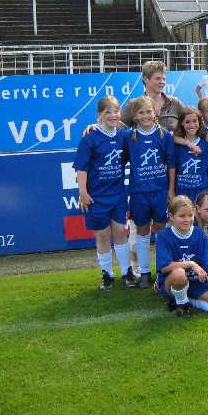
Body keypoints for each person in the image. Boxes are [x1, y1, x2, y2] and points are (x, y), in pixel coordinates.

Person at [74, 96, 133, 290]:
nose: (112, 115)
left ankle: (126, 273)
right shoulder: (89, 138)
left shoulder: (123, 136)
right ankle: (107, 275)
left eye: (115, 111)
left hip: (117, 194)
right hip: (97, 197)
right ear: (99, 115)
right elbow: (81, 168)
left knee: (120, 232)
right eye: (107, 112)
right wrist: (83, 192)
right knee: (102, 235)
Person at [124, 96, 175, 289]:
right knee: (143, 232)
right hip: (139, 193)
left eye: (149, 111)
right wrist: (93, 127)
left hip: (160, 191)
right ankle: (145, 272)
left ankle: (162, 271)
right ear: (135, 116)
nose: (146, 115)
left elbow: (171, 164)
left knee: (161, 232)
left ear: (156, 112)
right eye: (141, 112)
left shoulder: (164, 136)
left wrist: (170, 190)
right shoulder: (129, 137)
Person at [155, 195, 208, 316]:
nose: (187, 219)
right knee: (179, 273)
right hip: (173, 281)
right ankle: (182, 303)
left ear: (194, 214)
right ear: (171, 216)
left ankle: (190, 301)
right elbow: (164, 266)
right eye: (182, 216)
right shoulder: (164, 236)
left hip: (196, 282)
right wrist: (191, 263)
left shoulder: (198, 234)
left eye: (190, 215)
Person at [121, 60, 184, 132]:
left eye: (164, 79)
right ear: (145, 79)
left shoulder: (175, 102)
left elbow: (190, 124)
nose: (162, 82)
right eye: (158, 78)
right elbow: (119, 128)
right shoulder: (133, 104)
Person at [172, 107, 208, 202]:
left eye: (195, 121)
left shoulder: (207, 144)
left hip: (202, 192)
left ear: (200, 122)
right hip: (182, 192)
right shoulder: (176, 145)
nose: (192, 125)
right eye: (187, 122)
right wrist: (171, 191)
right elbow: (172, 169)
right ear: (181, 124)